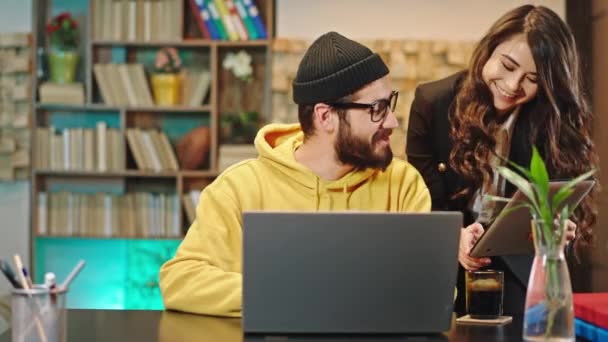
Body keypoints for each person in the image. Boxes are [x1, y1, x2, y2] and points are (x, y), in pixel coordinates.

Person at [161, 32, 478, 317]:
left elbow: (434, 289)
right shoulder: (239, 187)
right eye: (377, 108)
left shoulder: (403, 184)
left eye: (390, 104)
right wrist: (293, 294)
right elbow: (180, 281)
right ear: (326, 116)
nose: (393, 122)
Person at [407, 5, 598, 316]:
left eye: (531, 79)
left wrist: (556, 228)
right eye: (507, 66)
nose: (512, 86)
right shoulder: (433, 102)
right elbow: (421, 198)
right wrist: (452, 237)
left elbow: (556, 200)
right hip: (446, 263)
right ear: (488, 50)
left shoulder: (551, 119)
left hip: (521, 265)